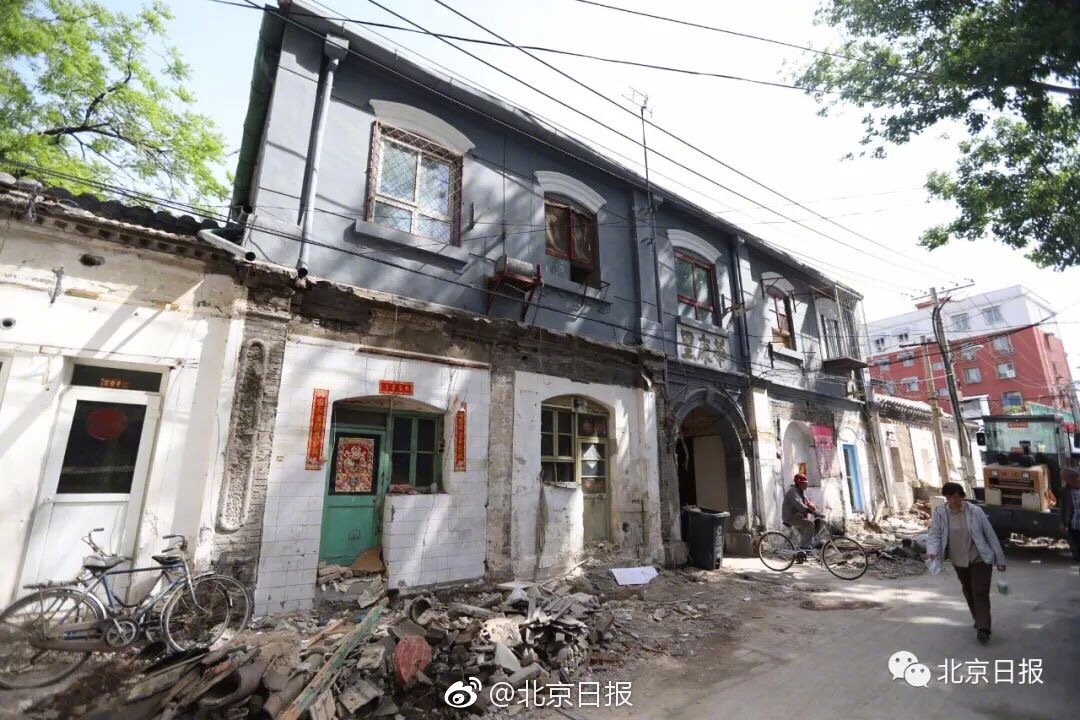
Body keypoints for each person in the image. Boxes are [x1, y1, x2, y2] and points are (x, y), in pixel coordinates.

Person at [926, 482, 1006, 644]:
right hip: (958, 559)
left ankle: (984, 628)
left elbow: (989, 534)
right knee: (969, 591)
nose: (953, 500)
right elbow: (934, 534)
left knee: (980, 591)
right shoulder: (940, 513)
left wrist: (1000, 559)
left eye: (956, 496)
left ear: (962, 496)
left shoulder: (975, 512)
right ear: (946, 498)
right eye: (949, 497)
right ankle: (978, 618)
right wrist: (933, 552)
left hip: (979, 557)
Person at [782, 473, 821, 549]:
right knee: (810, 525)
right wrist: (812, 512)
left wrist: (813, 508)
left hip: (798, 517)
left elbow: (807, 502)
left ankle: (801, 553)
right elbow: (801, 506)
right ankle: (804, 548)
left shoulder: (800, 492)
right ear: (799, 483)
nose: (806, 485)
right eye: (805, 483)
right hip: (791, 517)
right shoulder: (793, 492)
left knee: (806, 536)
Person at [1060, 467, 1080, 561]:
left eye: (1067, 480)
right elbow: (1063, 509)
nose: (1067, 483)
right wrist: (1062, 524)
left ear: (1075, 478)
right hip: (1074, 526)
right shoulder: (1065, 491)